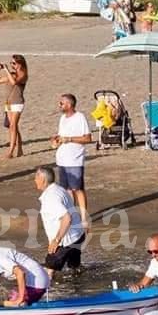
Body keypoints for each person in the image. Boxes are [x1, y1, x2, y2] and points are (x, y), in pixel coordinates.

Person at [34, 166, 86, 278]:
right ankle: (79, 287)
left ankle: (51, 294)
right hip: (78, 235)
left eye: (36, 177)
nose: (34, 180)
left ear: (43, 179)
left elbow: (66, 218)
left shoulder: (50, 197)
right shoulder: (58, 189)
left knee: (48, 272)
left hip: (65, 241)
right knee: (75, 268)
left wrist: (56, 240)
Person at [53, 93, 92, 226]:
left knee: (77, 189)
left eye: (61, 103)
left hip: (74, 159)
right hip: (62, 160)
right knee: (67, 190)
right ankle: (71, 215)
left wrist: (69, 139)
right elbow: (61, 135)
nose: (59, 105)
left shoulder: (80, 117)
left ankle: (84, 218)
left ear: (69, 104)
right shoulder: (63, 118)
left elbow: (87, 138)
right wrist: (56, 140)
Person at [0, 54, 28, 159]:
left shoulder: (23, 74)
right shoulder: (12, 74)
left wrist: (7, 70)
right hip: (9, 103)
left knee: (13, 126)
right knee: (12, 127)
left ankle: (10, 151)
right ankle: (19, 148)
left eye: (14, 63)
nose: (12, 65)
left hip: (17, 103)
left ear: (20, 64)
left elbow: (14, 82)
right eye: (11, 63)